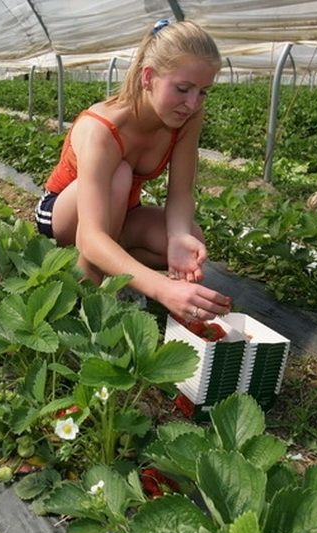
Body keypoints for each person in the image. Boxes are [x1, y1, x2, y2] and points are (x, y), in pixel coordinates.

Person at [34, 19, 232, 323]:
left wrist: (178, 236)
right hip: (66, 217)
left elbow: (180, 192)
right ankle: (91, 287)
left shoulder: (187, 117)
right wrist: (162, 288)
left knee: (191, 237)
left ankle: (115, 265)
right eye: (183, 88)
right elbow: (90, 235)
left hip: (122, 214)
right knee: (120, 176)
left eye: (203, 92)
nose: (192, 103)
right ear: (149, 77)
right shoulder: (103, 129)